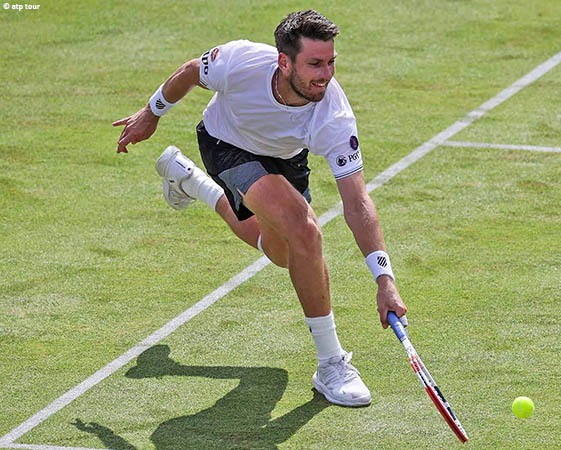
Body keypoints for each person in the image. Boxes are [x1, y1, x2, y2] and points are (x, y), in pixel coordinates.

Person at [113, 9, 407, 407]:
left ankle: (190, 181)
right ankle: (331, 363)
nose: (326, 74)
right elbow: (188, 72)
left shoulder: (333, 116)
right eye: (315, 64)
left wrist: (384, 280)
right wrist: (152, 112)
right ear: (284, 61)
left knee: (284, 251)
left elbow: (356, 201)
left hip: (286, 159)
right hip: (226, 143)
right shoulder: (240, 61)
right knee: (305, 230)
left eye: (331, 62)